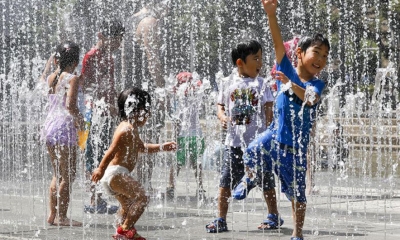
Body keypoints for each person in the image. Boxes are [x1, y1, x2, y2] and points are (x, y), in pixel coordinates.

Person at [243, 1, 330, 239]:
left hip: (296, 147)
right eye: (317, 52)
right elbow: (277, 44)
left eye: (325, 55)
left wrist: (291, 85)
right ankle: (250, 178)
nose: (321, 59)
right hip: (274, 135)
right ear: (300, 54)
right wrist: (271, 14)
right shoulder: (287, 69)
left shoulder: (316, 84)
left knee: (297, 194)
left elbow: (310, 99)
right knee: (251, 151)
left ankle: (297, 233)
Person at [205, 39, 280, 233]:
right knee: (225, 182)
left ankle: (273, 215)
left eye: (261, 58)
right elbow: (220, 106)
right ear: (240, 62)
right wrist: (222, 117)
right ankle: (220, 218)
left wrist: (269, 133)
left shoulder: (263, 84)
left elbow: (269, 110)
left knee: (267, 181)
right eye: (255, 58)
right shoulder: (227, 82)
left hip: (257, 145)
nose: (260, 63)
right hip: (234, 144)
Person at [91, 87, 176, 240]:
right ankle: (124, 230)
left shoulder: (131, 129)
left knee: (128, 205)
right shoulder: (126, 129)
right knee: (142, 198)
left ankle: (124, 231)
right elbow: (111, 150)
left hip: (115, 175)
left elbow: (142, 148)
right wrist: (100, 168)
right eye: (147, 110)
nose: (148, 115)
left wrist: (163, 147)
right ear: (137, 110)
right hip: (115, 174)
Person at [81, 19, 125, 214]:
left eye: (120, 40)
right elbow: (85, 85)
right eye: (116, 40)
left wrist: (115, 105)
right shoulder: (91, 56)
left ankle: (99, 199)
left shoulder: (109, 57)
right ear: (102, 36)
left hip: (107, 114)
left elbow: (111, 86)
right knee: (94, 156)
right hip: (94, 114)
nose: (119, 44)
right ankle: (94, 200)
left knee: (103, 155)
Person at [42, 41, 84, 226]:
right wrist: (81, 120)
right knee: (68, 175)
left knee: (57, 173)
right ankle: (62, 216)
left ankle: (52, 215)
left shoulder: (51, 77)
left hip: (50, 127)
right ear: (75, 62)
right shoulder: (72, 78)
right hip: (64, 128)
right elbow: (71, 106)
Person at [167, 72, 205, 199]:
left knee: (177, 162)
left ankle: (171, 187)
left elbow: (177, 122)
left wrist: (175, 137)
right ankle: (200, 188)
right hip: (196, 136)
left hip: (184, 136)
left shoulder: (179, 100)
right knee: (195, 163)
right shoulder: (195, 98)